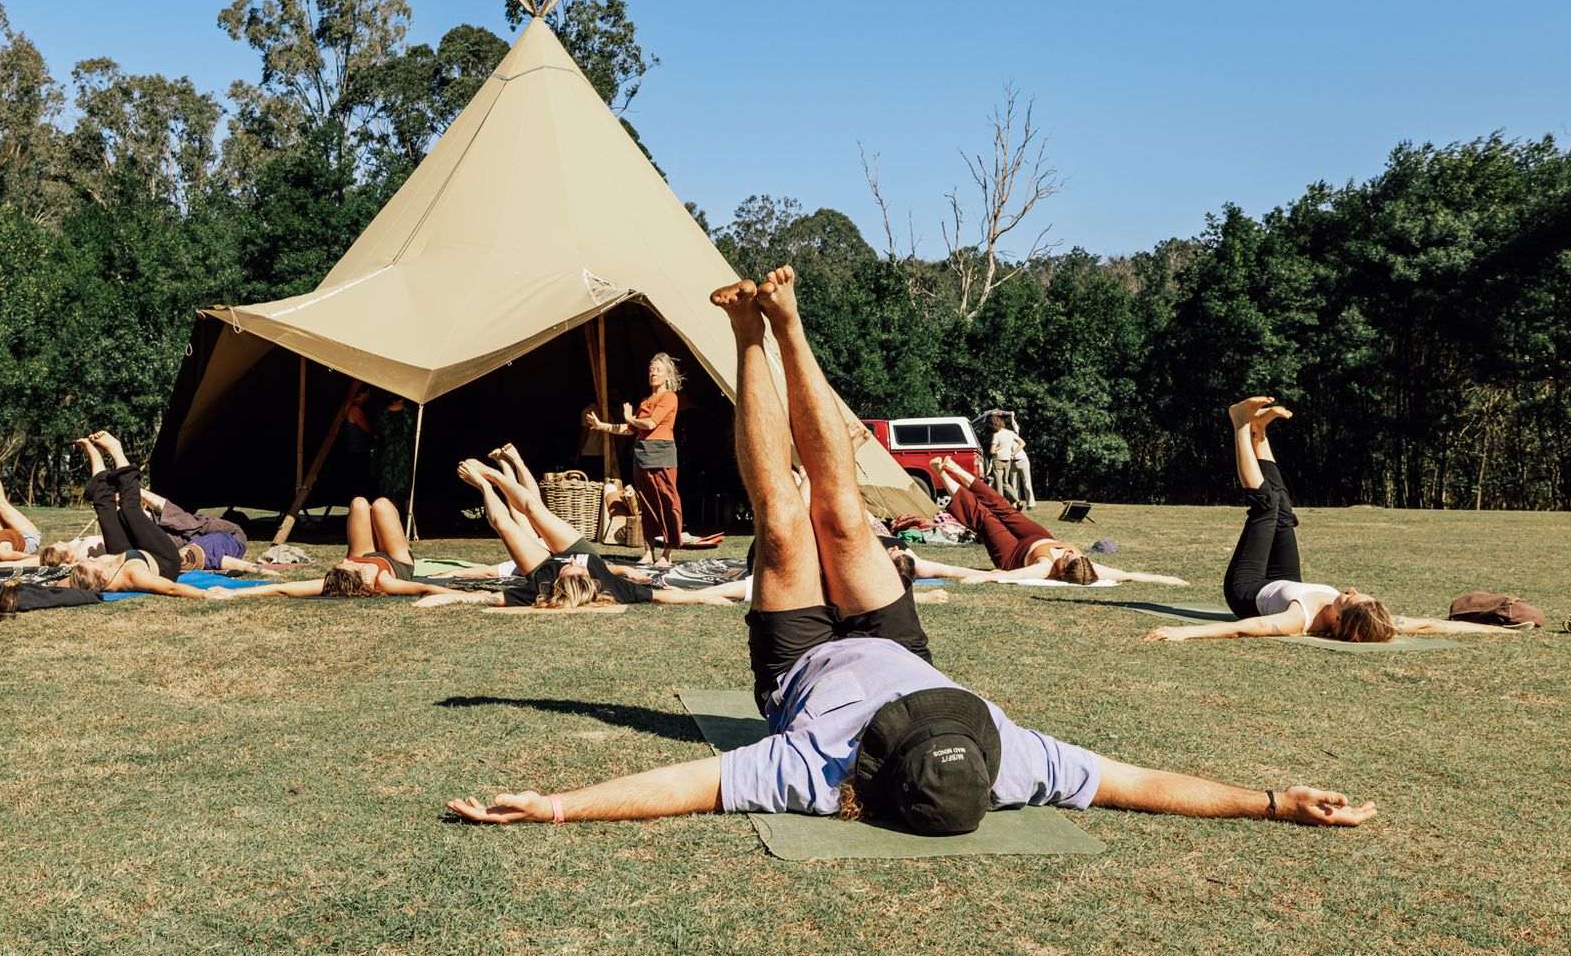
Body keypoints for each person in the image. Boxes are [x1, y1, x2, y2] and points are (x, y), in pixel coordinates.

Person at [448, 269, 1376, 833]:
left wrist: (560, 805)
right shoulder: (1007, 756)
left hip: (799, 659)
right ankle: (791, 324)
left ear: (871, 771)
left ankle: (746, 337)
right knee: (844, 515)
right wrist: (1269, 801)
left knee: (782, 516)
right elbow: (1138, 783)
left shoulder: (815, 769)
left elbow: (685, 782)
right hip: (893, 635)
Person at [1146, 399, 1521, 644]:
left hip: (1248, 590)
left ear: (1340, 616)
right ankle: (1261, 432)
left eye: (1351, 596)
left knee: (1264, 507)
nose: (1353, 589)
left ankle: (1240, 424)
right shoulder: (1373, 620)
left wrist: (1184, 632)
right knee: (1285, 511)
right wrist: (1492, 629)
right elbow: (1430, 624)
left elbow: (1246, 627)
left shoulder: (1300, 619)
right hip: (1284, 579)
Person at [413, 459, 730, 611]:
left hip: (536, 566)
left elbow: (485, 597)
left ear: (560, 580)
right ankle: (497, 476)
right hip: (581, 544)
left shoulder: (543, 584)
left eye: (568, 567)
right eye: (579, 569)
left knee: (504, 525)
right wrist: (706, 596)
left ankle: (485, 485)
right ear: (589, 579)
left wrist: (441, 598)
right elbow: (662, 596)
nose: (571, 563)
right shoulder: (612, 585)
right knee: (536, 511)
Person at [928, 457, 1184, 586]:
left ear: (1060, 569)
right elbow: (1130, 576)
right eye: (1077, 554)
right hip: (1037, 536)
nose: (1071, 551)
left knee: (984, 517)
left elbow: (1004, 576)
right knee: (1001, 506)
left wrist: (984, 578)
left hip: (1012, 554)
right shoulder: (1087, 565)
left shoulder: (1043, 568)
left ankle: (943, 475)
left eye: (1069, 557)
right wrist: (1169, 580)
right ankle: (959, 471)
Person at [209, 492, 451, 601]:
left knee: (358, 503)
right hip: (396, 562)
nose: (343, 561)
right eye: (345, 565)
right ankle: (383, 516)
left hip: (366, 556)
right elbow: (423, 587)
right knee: (381, 505)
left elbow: (285, 589)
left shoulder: (336, 580)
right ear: (359, 578)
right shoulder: (385, 582)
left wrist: (233, 593)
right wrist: (475, 596)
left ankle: (368, 518)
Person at [57, 432, 207, 599]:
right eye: (93, 562)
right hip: (163, 560)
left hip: (127, 557)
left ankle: (96, 456)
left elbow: (60, 585)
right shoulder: (134, 576)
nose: (93, 558)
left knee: (105, 513)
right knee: (129, 510)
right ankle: (116, 449)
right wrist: (211, 594)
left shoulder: (92, 576)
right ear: (105, 576)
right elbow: (172, 589)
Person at [589, 354, 684, 569]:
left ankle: (667, 554)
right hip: (642, 456)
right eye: (651, 369)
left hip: (662, 454)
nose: (653, 373)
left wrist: (630, 418)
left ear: (668, 375)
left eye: (658, 369)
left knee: (667, 502)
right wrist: (600, 425)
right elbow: (629, 429)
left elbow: (650, 423)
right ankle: (649, 551)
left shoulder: (670, 397)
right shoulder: (645, 401)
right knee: (647, 505)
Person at [987, 413, 1022, 505]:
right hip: (1008, 461)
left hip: (998, 461)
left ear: (994, 425)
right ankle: (1017, 500)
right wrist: (1013, 453)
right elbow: (1022, 443)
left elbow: (992, 451)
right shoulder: (1010, 433)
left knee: (999, 485)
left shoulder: (996, 435)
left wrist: (996, 450)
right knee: (1005, 483)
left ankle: (1001, 505)